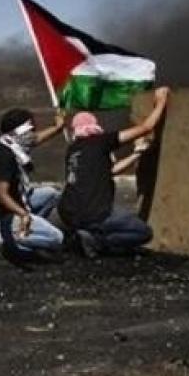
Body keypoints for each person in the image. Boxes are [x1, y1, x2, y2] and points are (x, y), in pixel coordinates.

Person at [58, 87, 170, 257]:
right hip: (95, 213)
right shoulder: (101, 142)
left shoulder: (73, 150)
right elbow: (146, 127)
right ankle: (96, 241)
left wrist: (137, 154)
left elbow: (110, 171)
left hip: (68, 213)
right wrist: (161, 101)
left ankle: (81, 234)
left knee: (99, 222)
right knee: (143, 232)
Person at [0, 108, 66, 263]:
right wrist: (23, 215)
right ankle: (3, 239)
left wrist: (57, 128)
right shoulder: (5, 156)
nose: (33, 133)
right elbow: (1, 194)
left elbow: (36, 139)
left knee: (51, 194)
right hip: (0, 213)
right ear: (20, 131)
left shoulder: (11, 144)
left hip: (15, 200)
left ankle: (26, 230)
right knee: (56, 238)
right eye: (30, 129)